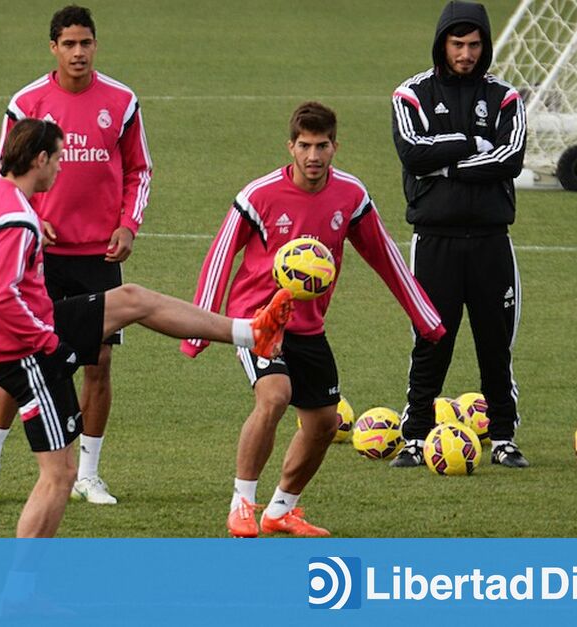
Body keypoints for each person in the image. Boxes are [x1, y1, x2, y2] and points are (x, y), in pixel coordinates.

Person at [0, 119, 293, 537]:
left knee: (133, 299)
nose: (62, 168)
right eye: (58, 158)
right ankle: (19, 593)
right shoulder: (17, 220)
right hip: (25, 353)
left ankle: (251, 332)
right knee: (59, 475)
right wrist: (51, 345)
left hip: (34, 327)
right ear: (40, 159)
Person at [182, 102, 445, 537]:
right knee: (274, 396)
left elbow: (385, 256)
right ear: (291, 146)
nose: (313, 156)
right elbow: (220, 257)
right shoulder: (258, 196)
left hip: (308, 327)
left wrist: (425, 318)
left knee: (325, 422)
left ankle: (281, 509)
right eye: (305, 146)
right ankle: (242, 504)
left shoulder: (351, 196)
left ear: (335, 146)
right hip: (259, 321)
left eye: (322, 146)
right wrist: (198, 330)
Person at [0, 4, 153, 505]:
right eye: (68, 44)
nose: (78, 52)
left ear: (96, 45)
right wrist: (30, 214)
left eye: (85, 43)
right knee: (22, 357)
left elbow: (140, 170)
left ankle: (89, 474)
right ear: (53, 47)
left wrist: (128, 225)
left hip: (100, 256)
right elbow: (3, 170)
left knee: (99, 364)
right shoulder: (27, 101)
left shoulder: (120, 100)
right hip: (39, 255)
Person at [389, 1, 529, 468]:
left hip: (492, 242)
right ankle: (414, 437)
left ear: (484, 46)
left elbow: (510, 159)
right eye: (457, 44)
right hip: (434, 242)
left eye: (474, 45)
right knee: (431, 341)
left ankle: (504, 438)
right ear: (441, 44)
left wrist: (445, 165)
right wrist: (472, 145)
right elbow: (413, 153)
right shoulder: (411, 95)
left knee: (495, 344)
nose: (466, 54)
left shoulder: (507, 98)